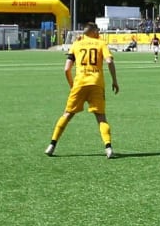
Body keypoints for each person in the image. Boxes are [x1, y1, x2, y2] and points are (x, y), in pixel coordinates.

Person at [49, 22, 119, 158]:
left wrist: (72, 85)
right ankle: (108, 148)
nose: (99, 32)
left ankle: (52, 145)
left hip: (79, 83)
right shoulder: (100, 43)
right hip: (96, 83)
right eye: (97, 30)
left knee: (67, 114)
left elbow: (66, 68)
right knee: (101, 117)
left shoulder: (76, 44)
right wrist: (115, 81)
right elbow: (109, 61)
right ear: (92, 31)